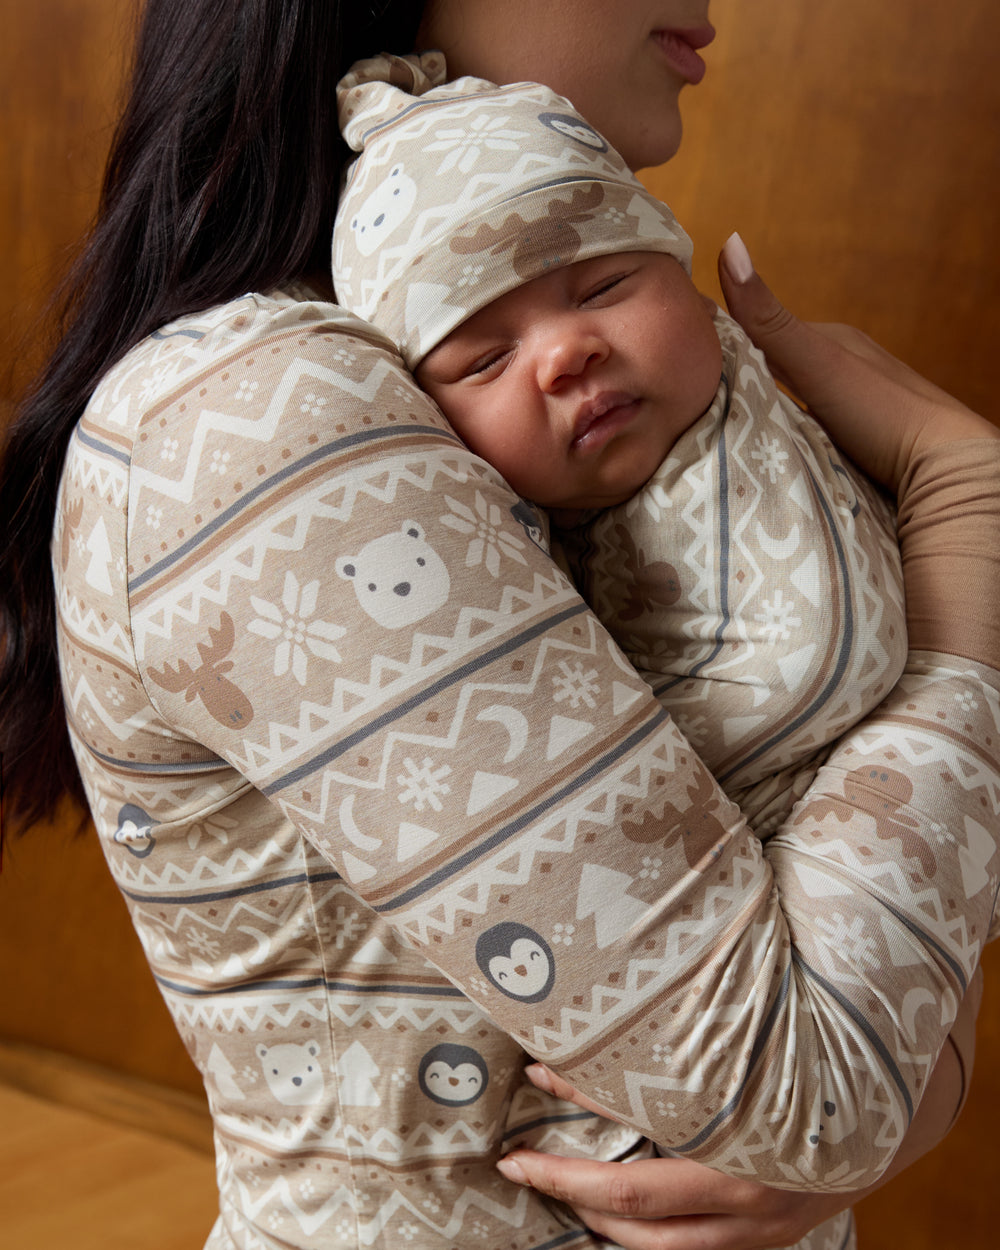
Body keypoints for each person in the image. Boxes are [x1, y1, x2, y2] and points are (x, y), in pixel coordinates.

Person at [0, 5, 997, 1250]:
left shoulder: (624, 429)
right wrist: (967, 532)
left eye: (603, 284)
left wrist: (904, 1074)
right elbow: (804, 1090)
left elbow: (833, 1053)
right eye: (482, 348)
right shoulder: (265, 415)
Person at [333, 65, 906, 836]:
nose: (565, 353)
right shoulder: (512, 572)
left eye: (602, 287)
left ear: (685, 275)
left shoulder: (821, 386)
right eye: (486, 360)